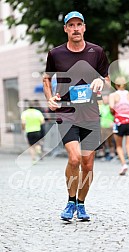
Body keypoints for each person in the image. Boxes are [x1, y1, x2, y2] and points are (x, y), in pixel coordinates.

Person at [43, 11, 110, 221]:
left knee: (88, 163)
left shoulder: (96, 51)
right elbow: (47, 78)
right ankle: (70, 200)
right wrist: (49, 99)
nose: (75, 29)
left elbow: (106, 78)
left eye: (78, 24)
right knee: (74, 158)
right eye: (70, 25)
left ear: (84, 27)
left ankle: (81, 204)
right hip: (67, 113)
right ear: (65, 29)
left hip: (90, 114)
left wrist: (101, 82)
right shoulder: (56, 54)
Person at [109, 76, 129, 176]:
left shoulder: (113, 95)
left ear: (116, 85)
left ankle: (124, 165)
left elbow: (111, 108)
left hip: (119, 122)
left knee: (118, 146)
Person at [99, 93, 115, 161]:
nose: (105, 100)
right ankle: (102, 154)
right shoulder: (100, 106)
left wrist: (113, 122)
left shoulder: (111, 107)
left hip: (109, 126)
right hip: (102, 126)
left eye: (106, 99)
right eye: (104, 99)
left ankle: (112, 154)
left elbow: (114, 115)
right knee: (102, 141)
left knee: (110, 141)